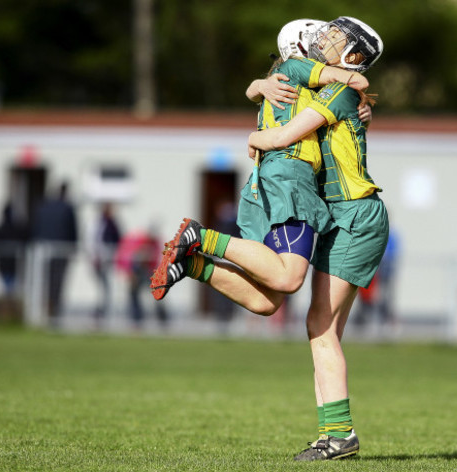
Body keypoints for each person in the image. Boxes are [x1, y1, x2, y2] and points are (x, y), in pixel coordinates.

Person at [150, 19, 370, 319]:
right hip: (291, 176)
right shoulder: (298, 67)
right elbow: (357, 82)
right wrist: (356, 88)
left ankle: (192, 264)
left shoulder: (291, 79)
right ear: (298, 47)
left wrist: (257, 86)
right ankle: (200, 237)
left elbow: (254, 90)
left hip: (268, 181)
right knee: (290, 279)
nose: (324, 42)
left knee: (266, 302)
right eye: (318, 38)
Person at [246, 17, 388, 460]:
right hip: (340, 215)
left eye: (335, 38)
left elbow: (285, 136)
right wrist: (260, 86)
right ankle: (333, 434)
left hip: (354, 215)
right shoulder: (332, 89)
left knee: (319, 326)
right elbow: (268, 87)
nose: (323, 38)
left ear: (353, 55)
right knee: (323, 330)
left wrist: (253, 136)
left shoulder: (342, 90)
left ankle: (340, 434)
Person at [31, 181, 78, 322]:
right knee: (57, 283)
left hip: (42, 249)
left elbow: (35, 227)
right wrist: (73, 247)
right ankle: (53, 312)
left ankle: (41, 310)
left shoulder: (42, 206)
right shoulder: (67, 208)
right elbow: (72, 231)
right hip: (60, 250)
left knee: (42, 281)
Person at [0, 202, 29, 296]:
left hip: (7, 265)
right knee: (9, 289)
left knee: (9, 288)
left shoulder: (3, 229)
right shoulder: (16, 229)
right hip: (11, 265)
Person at [90, 202, 122, 323]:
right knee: (104, 288)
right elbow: (94, 240)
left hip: (109, 260)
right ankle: (99, 312)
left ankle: (103, 311)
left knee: (107, 288)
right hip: (101, 260)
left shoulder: (112, 223)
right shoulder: (98, 223)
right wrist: (95, 257)